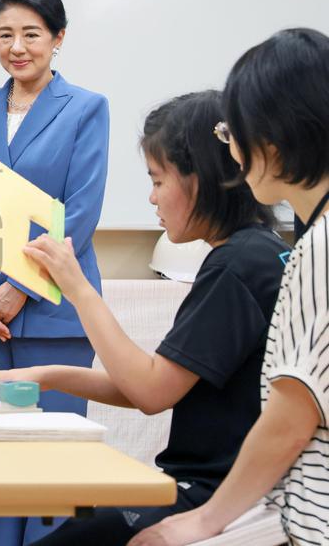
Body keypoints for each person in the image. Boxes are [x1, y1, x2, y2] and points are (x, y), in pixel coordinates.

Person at [0, 91, 287, 545]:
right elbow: (160, 378)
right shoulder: (260, 252)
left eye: (158, 180)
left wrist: (77, 287)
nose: (151, 197)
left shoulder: (236, 267)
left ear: (199, 178)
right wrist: (48, 375)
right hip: (232, 489)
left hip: (216, 498)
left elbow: (150, 392)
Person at [129, 29, 329, 545]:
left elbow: (290, 417)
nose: (233, 154)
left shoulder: (309, 249)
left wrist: (203, 522)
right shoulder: (298, 243)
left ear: (277, 135)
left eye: (234, 131)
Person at [0, 0, 109, 545]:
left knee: (50, 470)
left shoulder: (86, 108)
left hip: (54, 315)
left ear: (58, 38)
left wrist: (20, 287)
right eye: (4, 34)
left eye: (31, 34)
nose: (17, 47)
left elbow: (79, 214)